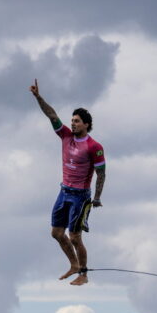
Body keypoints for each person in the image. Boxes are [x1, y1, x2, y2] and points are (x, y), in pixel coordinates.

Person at [30, 79, 106, 286]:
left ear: (86, 124)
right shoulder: (65, 136)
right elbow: (52, 115)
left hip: (80, 196)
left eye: (77, 121)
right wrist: (38, 97)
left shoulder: (94, 146)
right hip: (64, 192)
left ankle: (83, 273)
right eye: (72, 120)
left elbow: (101, 173)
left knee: (74, 236)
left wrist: (97, 198)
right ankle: (73, 264)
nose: (73, 123)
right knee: (56, 233)